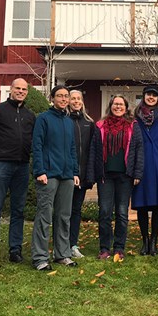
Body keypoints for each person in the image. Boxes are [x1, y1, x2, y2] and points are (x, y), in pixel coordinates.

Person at [0, 78, 36, 265]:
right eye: (17, 88)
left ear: (27, 92)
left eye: (24, 89)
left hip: (22, 166)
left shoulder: (30, 115)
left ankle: (15, 249)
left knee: (18, 210)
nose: (20, 91)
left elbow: (33, 140)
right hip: (1, 165)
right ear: (11, 90)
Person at [87, 95, 144, 260]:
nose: (118, 107)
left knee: (121, 213)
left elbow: (139, 150)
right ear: (110, 106)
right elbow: (93, 151)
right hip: (105, 176)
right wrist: (92, 174)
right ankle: (104, 248)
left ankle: (119, 247)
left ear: (126, 108)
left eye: (121, 104)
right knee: (104, 212)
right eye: (115, 104)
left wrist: (137, 173)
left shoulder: (133, 126)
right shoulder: (100, 125)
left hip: (126, 176)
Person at [31, 85, 80, 271]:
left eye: (66, 96)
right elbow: (37, 146)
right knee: (44, 216)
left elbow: (72, 149)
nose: (63, 99)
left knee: (64, 216)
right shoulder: (43, 119)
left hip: (67, 175)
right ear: (52, 98)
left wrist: (75, 172)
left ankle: (62, 254)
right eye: (59, 96)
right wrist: (40, 171)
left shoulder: (68, 122)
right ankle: (40, 257)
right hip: (48, 174)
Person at [132, 85, 158, 256]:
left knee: (157, 205)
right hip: (141, 164)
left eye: (154, 95)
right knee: (141, 205)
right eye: (148, 95)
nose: (151, 97)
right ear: (143, 96)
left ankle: (154, 240)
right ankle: (144, 240)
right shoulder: (135, 119)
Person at [67, 90, 95, 259]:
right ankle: (60, 244)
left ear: (82, 102)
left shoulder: (89, 123)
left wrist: (89, 175)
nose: (76, 101)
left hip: (83, 175)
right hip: (66, 174)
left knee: (76, 210)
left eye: (79, 99)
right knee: (64, 211)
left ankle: (73, 244)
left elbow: (92, 151)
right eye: (73, 98)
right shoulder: (64, 120)